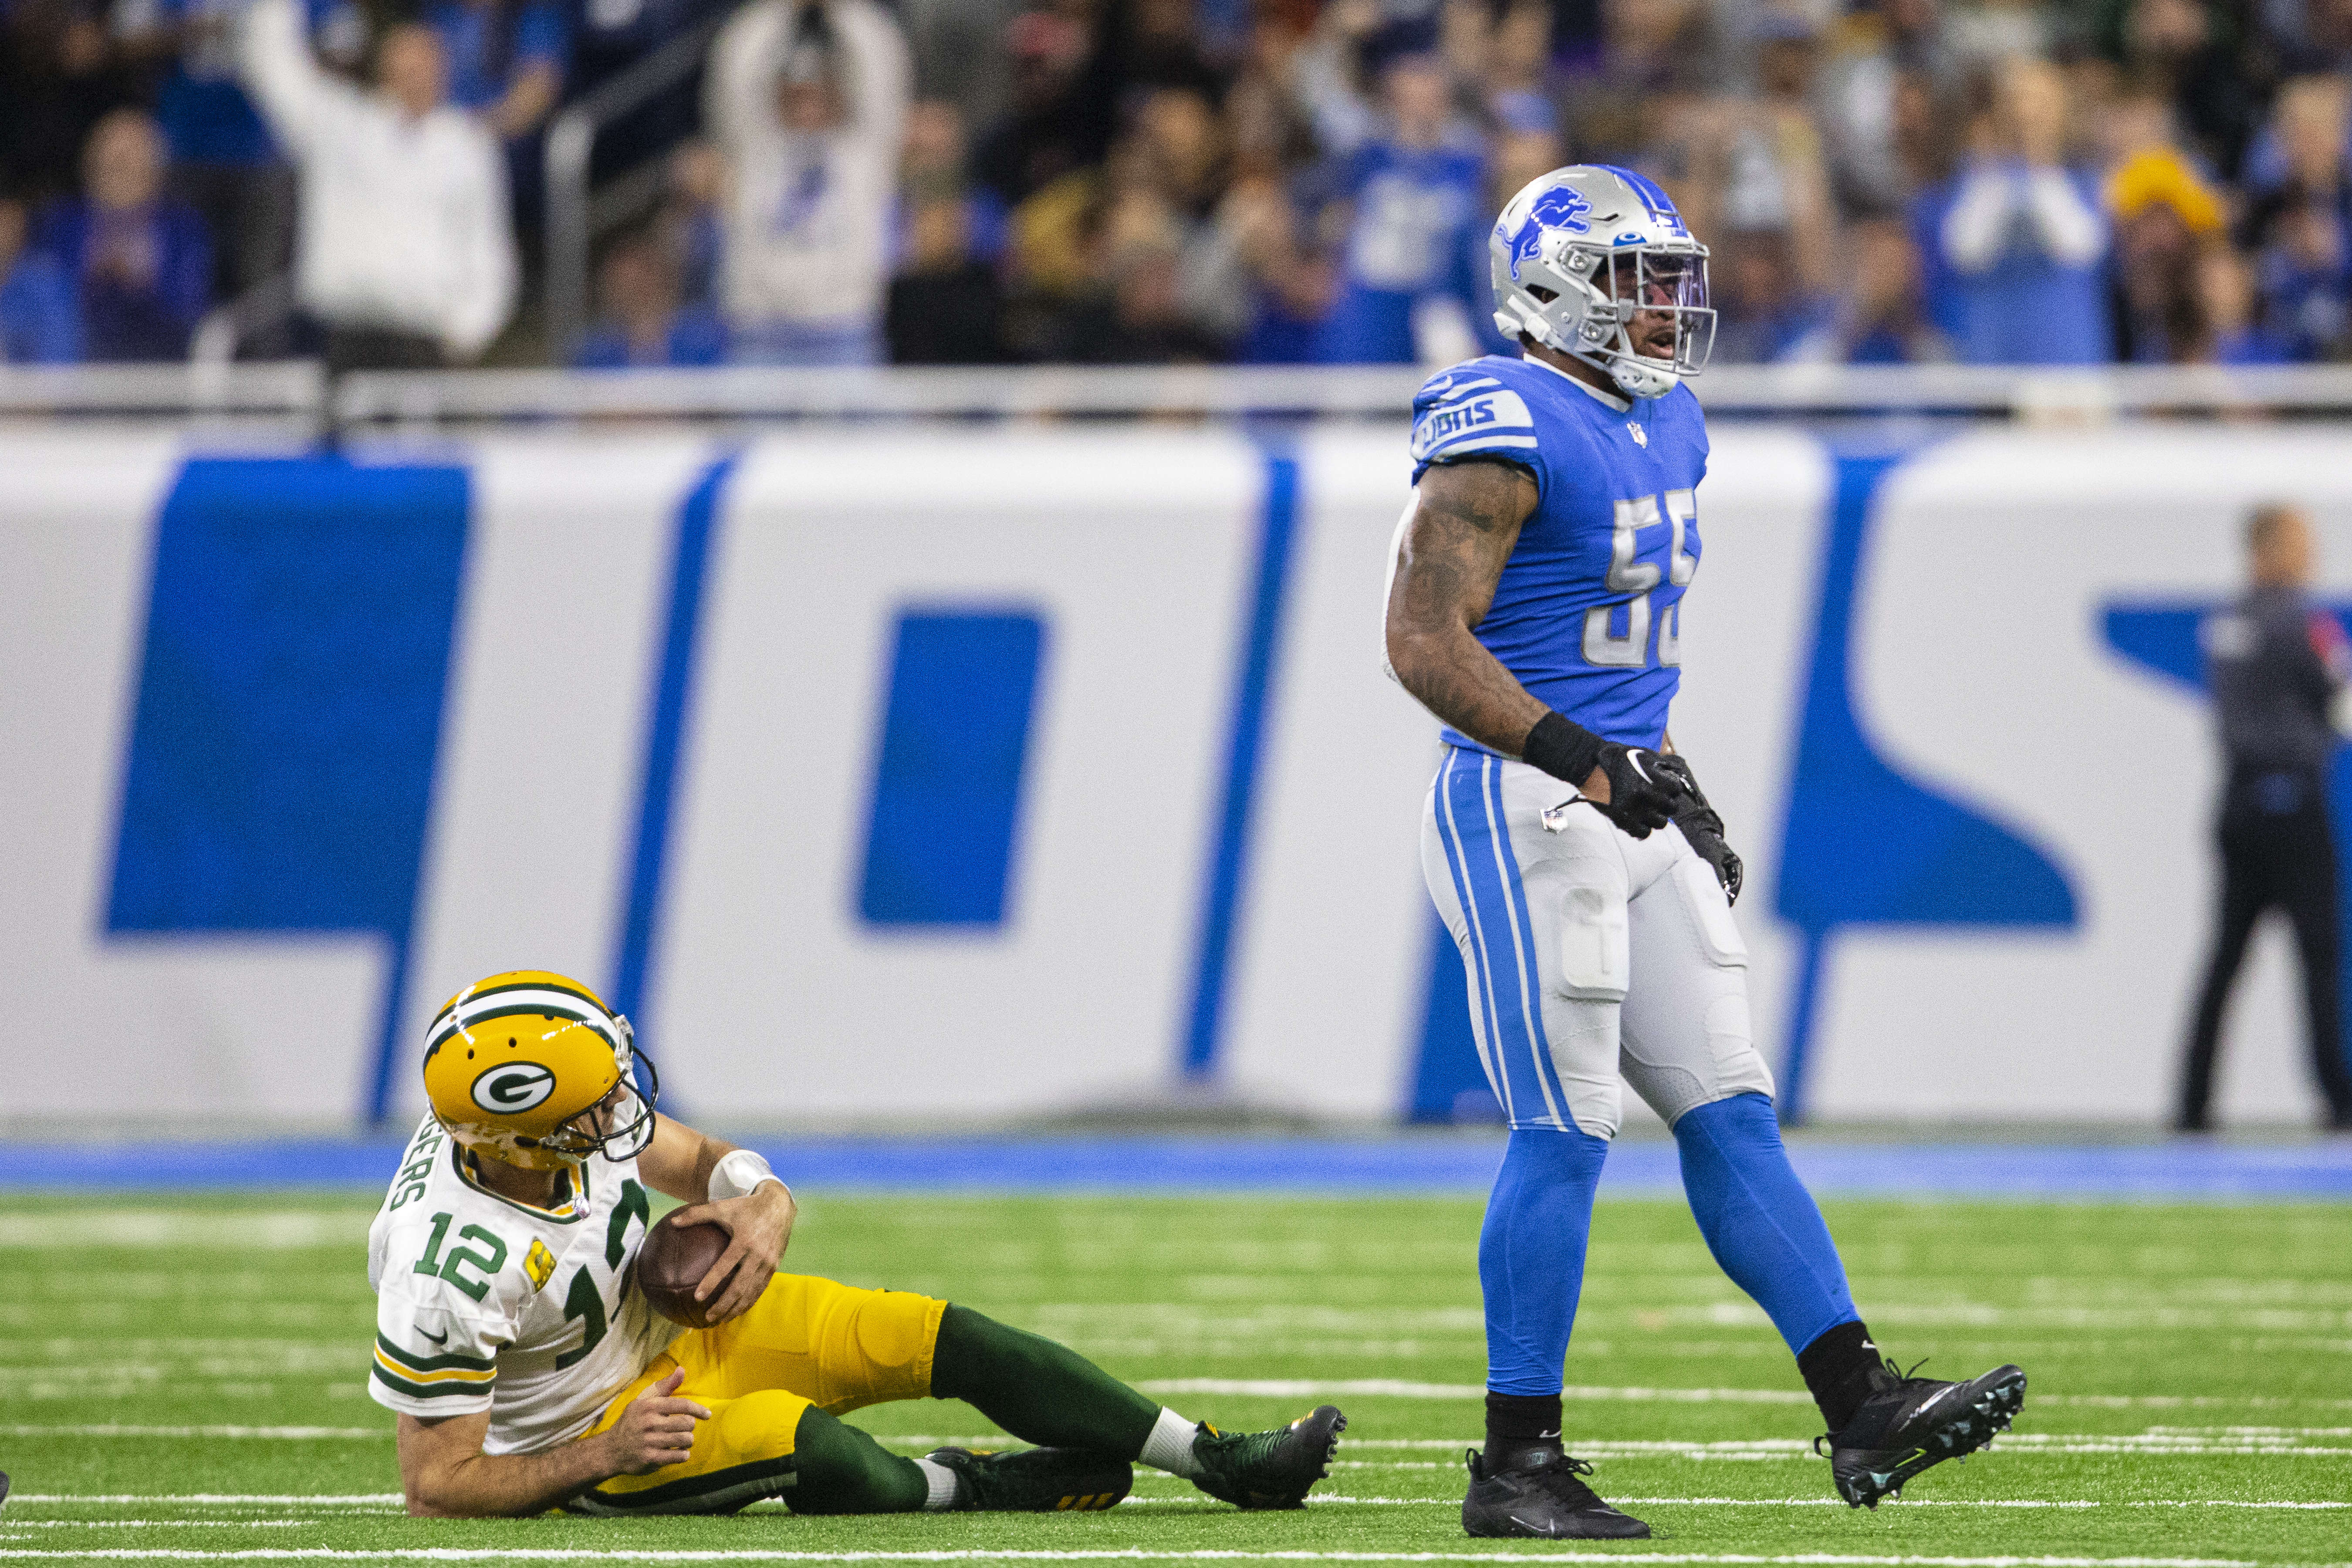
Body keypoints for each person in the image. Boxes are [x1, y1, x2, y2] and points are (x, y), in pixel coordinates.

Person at [1379, 165, 2028, 1538]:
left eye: (1670, 273)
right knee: (1567, 1127)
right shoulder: (1500, 424)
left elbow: (1610, 652)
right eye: (1632, 275)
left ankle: (1861, 1402)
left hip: (1622, 801)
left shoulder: (1668, 420)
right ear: (1554, 286)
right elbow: (1425, 643)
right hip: (1519, 806)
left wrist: (1654, 769)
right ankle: (1516, 1465)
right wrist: (1584, 761)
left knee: (1730, 1102)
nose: (1666, 302)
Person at [374, 970, 1346, 1517]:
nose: (621, 1112)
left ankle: (1219, 1460)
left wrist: (765, 1202)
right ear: (518, 1139)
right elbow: (438, 1486)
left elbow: (705, 1157)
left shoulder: (546, 1128)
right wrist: (598, 1455)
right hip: (595, 1436)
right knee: (816, 1448)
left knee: (939, 1334)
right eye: (592, 1109)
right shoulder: (446, 1269)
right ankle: (962, 1486)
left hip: (681, 1332)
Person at [2178, 505, 2352, 1133]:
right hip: (2296, 807)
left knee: (2226, 958)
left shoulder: (2225, 624)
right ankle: (2338, 1097)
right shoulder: (2304, 625)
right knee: (2320, 957)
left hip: (2239, 804)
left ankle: (2192, 1101)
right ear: (2273, 547)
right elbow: (2342, 700)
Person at [238, 0, 516, 371]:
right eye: (405, 56)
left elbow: (489, 250)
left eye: (427, 56)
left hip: (428, 339)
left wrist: (468, 332)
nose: (416, 69)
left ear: (445, 66)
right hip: (345, 333)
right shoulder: (339, 124)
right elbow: (271, 66)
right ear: (384, 64)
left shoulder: (470, 146)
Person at [706, 0, 909, 365]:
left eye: (818, 93)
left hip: (846, 327)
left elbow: (882, 65)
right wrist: (783, 9)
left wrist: (841, 10)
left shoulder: (863, 150)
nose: (806, 106)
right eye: (795, 92)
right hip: (759, 329)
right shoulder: (752, 147)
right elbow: (735, 68)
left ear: (838, 93)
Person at [34, 108, 212, 361]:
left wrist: (136, 282)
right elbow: (46, 303)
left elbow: (190, 307)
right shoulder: (62, 223)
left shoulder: (183, 229)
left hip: (158, 366)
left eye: (129, 161)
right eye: (109, 162)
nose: (118, 169)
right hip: (78, 363)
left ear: (156, 171)